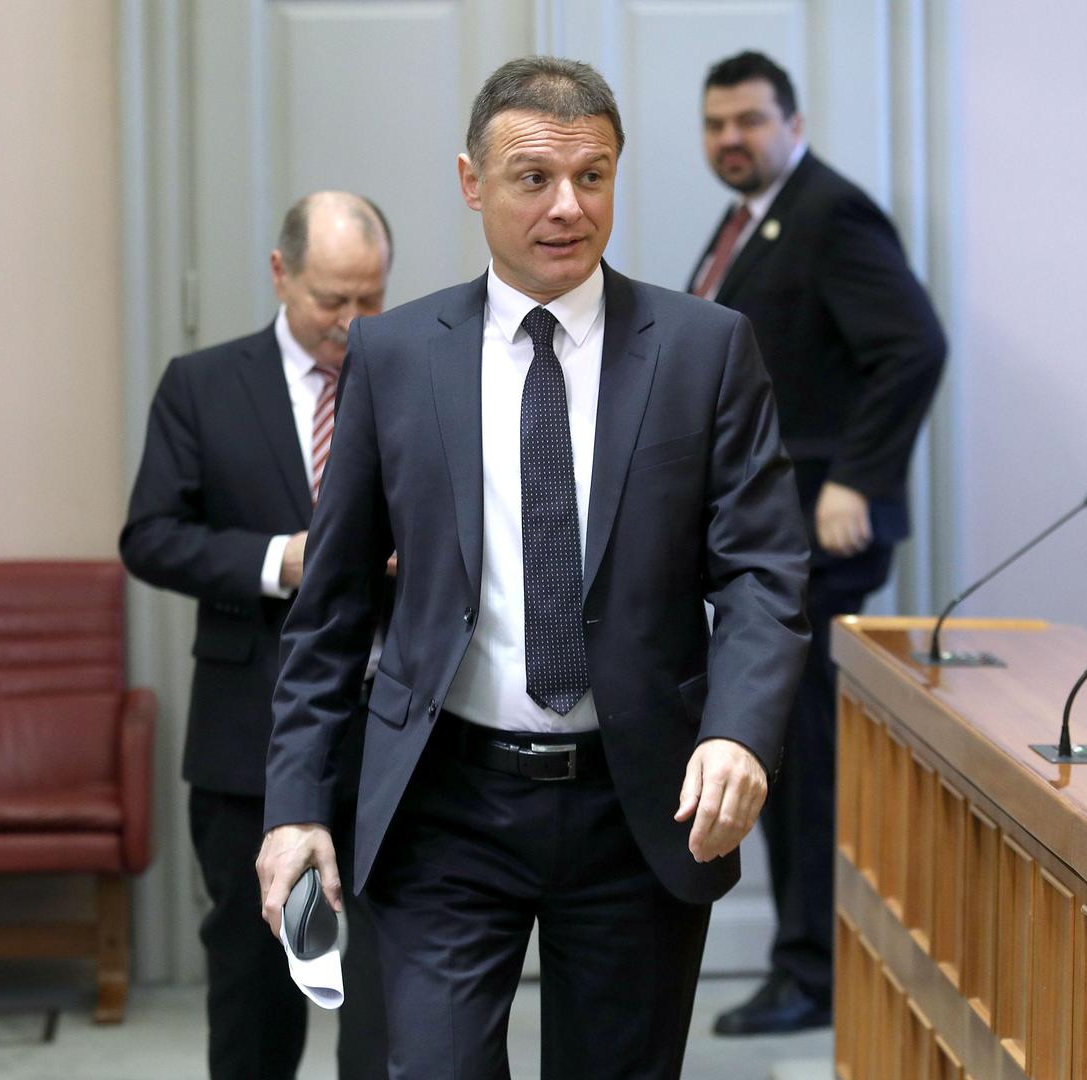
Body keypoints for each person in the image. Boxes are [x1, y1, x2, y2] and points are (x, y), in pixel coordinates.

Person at [256, 57, 810, 1080]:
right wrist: (295, 804)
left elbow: (763, 573)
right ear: (472, 182)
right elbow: (330, 608)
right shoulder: (394, 357)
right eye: (533, 178)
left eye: (591, 177)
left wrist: (737, 730)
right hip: (444, 806)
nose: (567, 207)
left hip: (636, 805)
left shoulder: (705, 350)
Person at [687, 51, 947, 1036]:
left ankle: (812, 974)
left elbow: (912, 346)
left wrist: (855, 479)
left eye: (749, 121)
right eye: (716, 124)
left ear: (791, 125)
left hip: (815, 532)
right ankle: (807, 965)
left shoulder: (829, 213)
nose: (731, 139)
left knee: (795, 756)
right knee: (780, 745)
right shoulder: (748, 218)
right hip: (765, 531)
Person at [120, 191, 393, 1080]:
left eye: (371, 298)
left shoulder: (411, 378)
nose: (352, 323)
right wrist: (282, 558)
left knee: (390, 998)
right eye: (331, 300)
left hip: (391, 737)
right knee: (253, 986)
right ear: (281, 275)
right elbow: (150, 537)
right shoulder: (202, 385)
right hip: (249, 735)